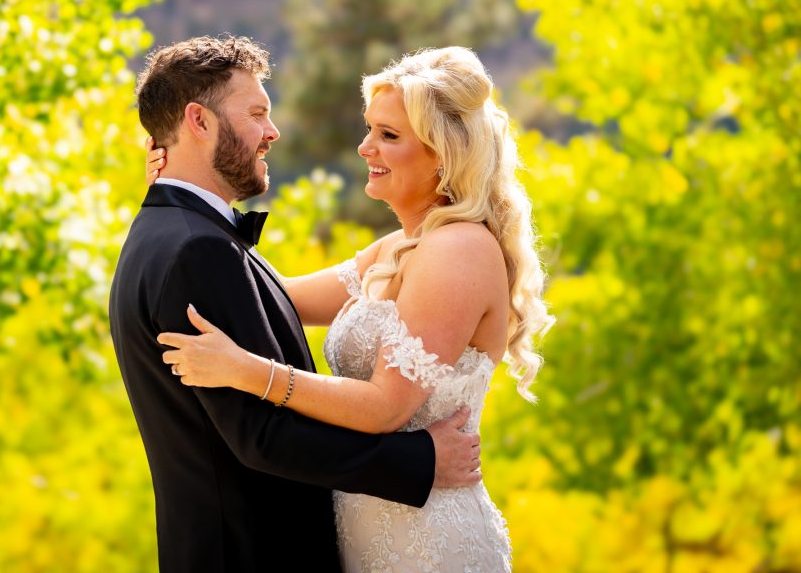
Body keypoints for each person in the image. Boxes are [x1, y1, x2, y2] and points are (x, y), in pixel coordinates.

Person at [149, 46, 555, 572]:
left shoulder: (459, 250)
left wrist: (250, 372)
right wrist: (180, 194)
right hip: (363, 532)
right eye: (369, 130)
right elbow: (276, 297)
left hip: (426, 542)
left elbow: (388, 405)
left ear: (444, 153)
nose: (365, 148)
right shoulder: (393, 249)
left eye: (389, 136)